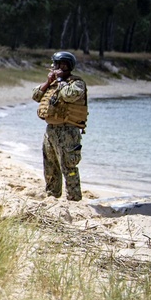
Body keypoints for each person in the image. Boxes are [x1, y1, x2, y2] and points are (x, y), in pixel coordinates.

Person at [32, 51, 88, 201]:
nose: (60, 68)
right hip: (51, 130)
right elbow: (36, 96)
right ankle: (52, 196)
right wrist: (48, 82)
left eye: (64, 65)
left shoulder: (76, 83)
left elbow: (69, 95)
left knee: (69, 166)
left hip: (68, 131)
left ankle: (74, 199)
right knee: (50, 166)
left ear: (70, 67)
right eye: (58, 65)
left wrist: (60, 80)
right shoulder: (52, 84)